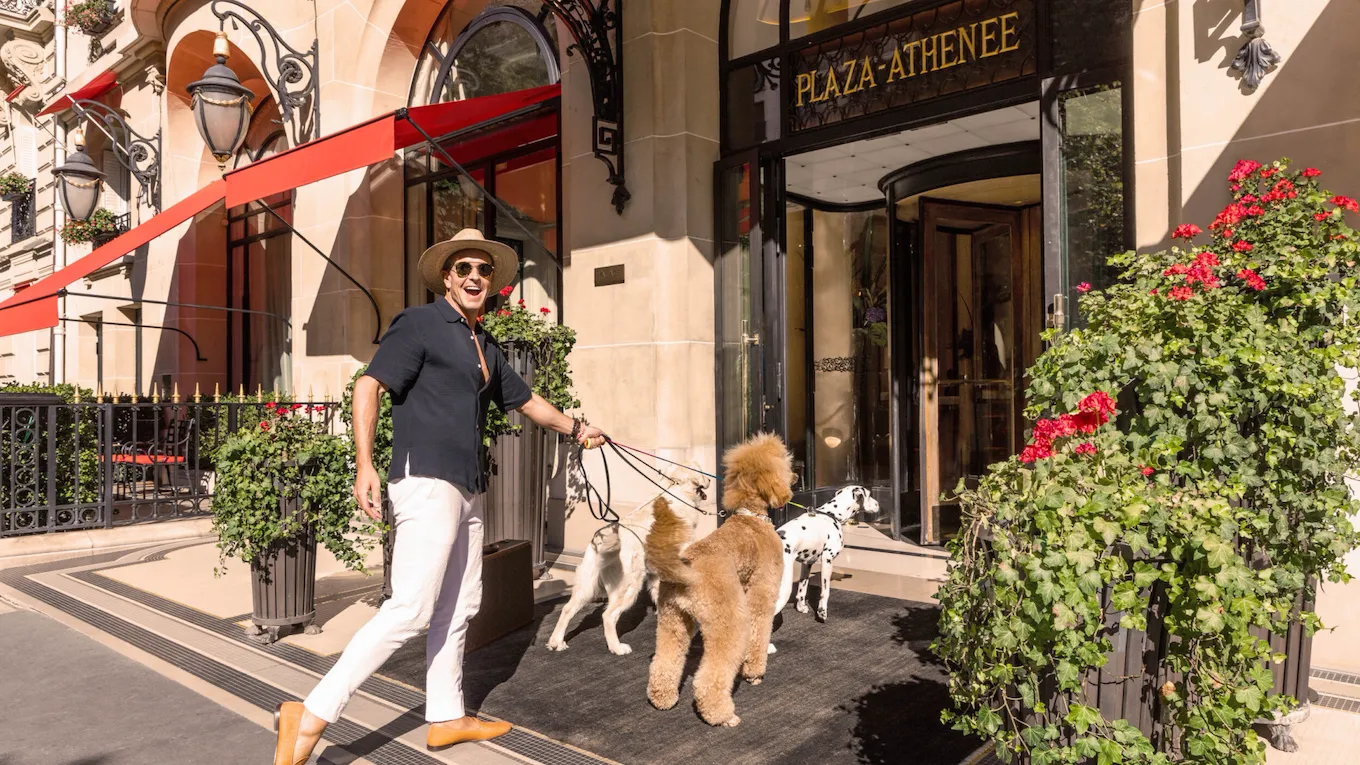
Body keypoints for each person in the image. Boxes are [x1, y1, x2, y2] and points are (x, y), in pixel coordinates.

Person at [273, 228, 606, 765]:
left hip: (467, 484)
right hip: (426, 478)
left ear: (492, 282)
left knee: (462, 603)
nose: (475, 277)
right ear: (447, 278)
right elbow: (368, 385)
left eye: (483, 270)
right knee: (410, 607)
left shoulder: (485, 345)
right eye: (464, 269)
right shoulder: (421, 323)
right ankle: (310, 713)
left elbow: (527, 402)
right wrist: (364, 464)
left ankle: (447, 717)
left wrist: (577, 428)